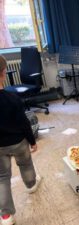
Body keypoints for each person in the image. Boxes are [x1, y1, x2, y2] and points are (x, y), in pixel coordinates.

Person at [0, 55, 42, 225]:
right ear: (4, 73)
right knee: (25, 164)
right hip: (18, 142)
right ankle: (31, 185)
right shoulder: (12, 97)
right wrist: (32, 141)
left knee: (2, 177)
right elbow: (24, 123)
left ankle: (6, 216)